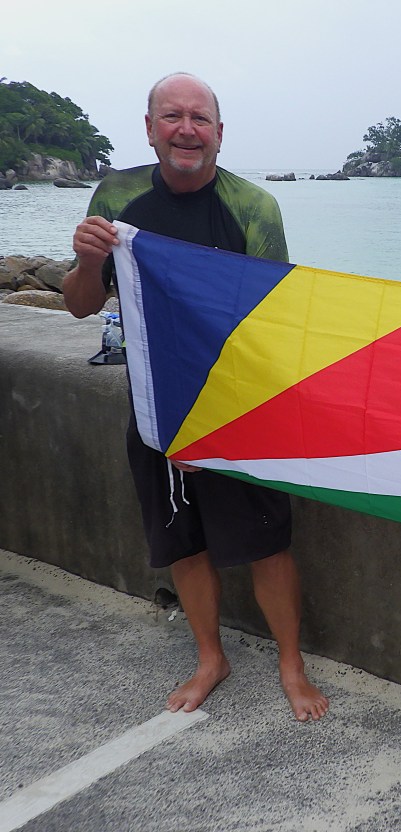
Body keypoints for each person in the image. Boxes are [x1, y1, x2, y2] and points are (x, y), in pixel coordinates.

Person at [63, 72, 328, 722]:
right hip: (156, 414)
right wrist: (87, 262)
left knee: (267, 544)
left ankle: (291, 663)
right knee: (182, 543)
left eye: (200, 118)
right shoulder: (116, 195)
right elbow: (79, 306)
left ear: (219, 132)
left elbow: (270, 322)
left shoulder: (253, 207)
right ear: (150, 128)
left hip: (238, 408)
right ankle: (211, 657)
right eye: (173, 116)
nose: (187, 129)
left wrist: (209, 426)